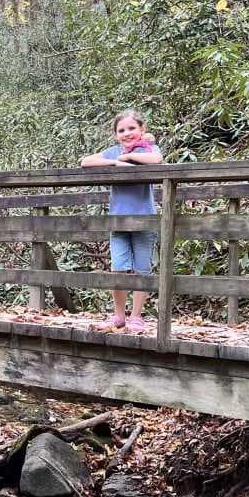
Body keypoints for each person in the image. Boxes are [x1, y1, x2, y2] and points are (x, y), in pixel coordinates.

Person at [79, 110, 164, 332]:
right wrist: (116, 162)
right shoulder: (114, 152)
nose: (127, 133)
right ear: (116, 134)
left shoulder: (148, 149)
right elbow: (86, 161)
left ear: (142, 130)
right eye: (121, 130)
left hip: (144, 219)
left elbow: (157, 160)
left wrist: (129, 157)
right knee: (118, 269)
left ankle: (136, 316)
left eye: (132, 128)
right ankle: (118, 315)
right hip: (117, 221)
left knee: (142, 269)